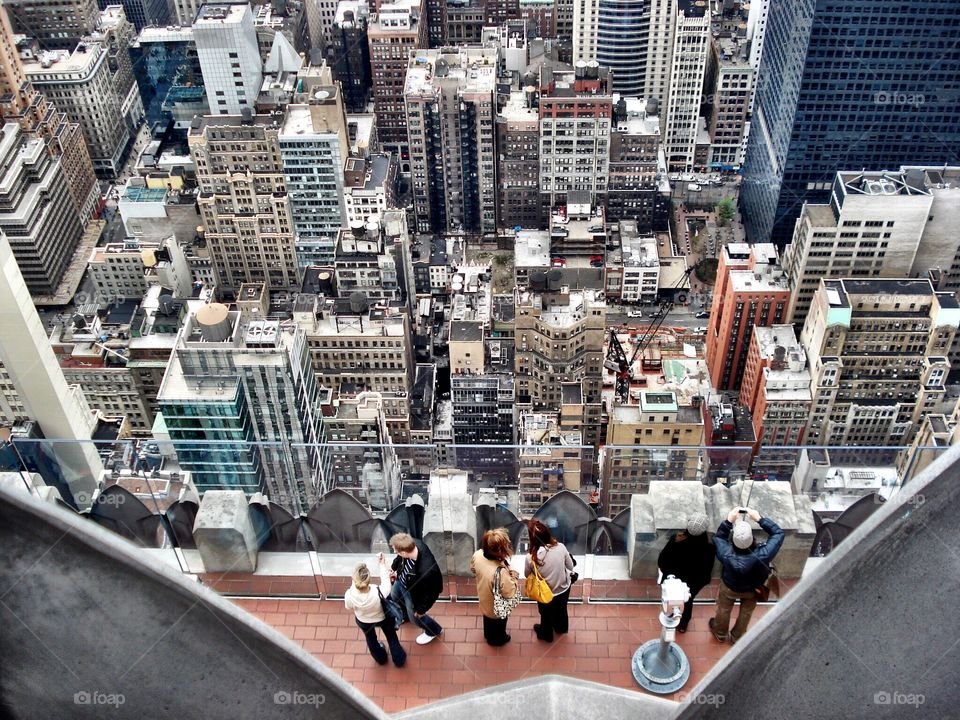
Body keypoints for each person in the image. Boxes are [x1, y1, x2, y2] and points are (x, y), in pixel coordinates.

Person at [710, 506, 784, 644]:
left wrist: (728, 521)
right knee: (746, 612)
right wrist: (759, 519)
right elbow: (778, 534)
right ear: (751, 539)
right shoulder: (763, 554)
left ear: (733, 541)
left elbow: (719, 538)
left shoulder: (725, 553)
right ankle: (737, 636)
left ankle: (720, 633)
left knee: (724, 609)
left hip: (730, 586)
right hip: (753, 588)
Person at [657, 512, 715, 633]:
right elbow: (707, 571)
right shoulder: (709, 547)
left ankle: (669, 617)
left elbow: (662, 560)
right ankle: (683, 624)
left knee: (671, 598)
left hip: (673, 579)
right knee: (687, 601)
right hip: (693, 582)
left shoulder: (676, 539)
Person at [344, 554, 407, 667]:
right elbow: (386, 580)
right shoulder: (379, 591)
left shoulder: (349, 595)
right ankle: (399, 660)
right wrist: (382, 564)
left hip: (363, 620)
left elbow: (349, 607)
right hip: (383, 618)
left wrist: (354, 579)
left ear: (354, 579)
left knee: (370, 638)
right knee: (391, 636)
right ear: (369, 579)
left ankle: (380, 658)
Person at [388, 532, 444, 645]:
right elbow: (399, 558)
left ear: (404, 552)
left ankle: (434, 630)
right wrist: (394, 567)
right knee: (395, 596)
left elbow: (433, 592)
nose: (395, 553)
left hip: (413, 593)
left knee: (416, 618)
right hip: (402, 581)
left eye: (396, 551)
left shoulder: (427, 571)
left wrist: (421, 610)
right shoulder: (411, 543)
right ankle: (404, 616)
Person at [524, 519, 574, 642]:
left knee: (545, 614)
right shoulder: (561, 547)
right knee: (562, 610)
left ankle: (546, 634)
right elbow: (570, 566)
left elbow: (526, 574)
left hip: (545, 592)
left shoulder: (531, 557)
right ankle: (561, 628)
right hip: (563, 589)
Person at [470, 528, 520, 646]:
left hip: (484, 600)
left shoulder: (478, 555)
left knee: (487, 620)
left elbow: (472, 569)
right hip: (497, 607)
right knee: (499, 625)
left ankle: (488, 635)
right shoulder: (501, 572)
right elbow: (510, 593)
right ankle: (499, 639)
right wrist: (514, 575)